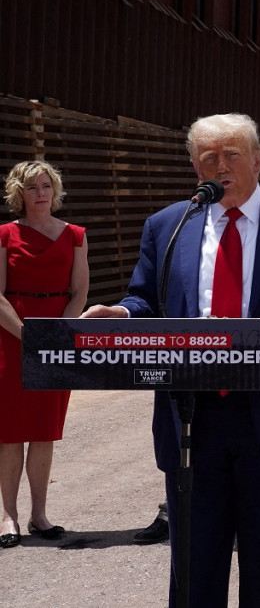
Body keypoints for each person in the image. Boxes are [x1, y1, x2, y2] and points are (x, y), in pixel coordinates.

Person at [82, 113, 260, 607]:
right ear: (194, 167)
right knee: (193, 568)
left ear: (258, 160)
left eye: (231, 155)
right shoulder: (167, 225)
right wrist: (120, 311)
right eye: (209, 158)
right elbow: (146, 299)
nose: (220, 166)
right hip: (191, 418)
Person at [0, 160, 88, 548]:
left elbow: (79, 293)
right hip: (10, 337)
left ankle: (39, 515)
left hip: (55, 337)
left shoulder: (76, 236)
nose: (40, 193)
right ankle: (8, 516)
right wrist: (27, 335)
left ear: (55, 191)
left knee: (43, 431)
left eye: (46, 186)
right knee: (9, 433)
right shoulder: (4, 235)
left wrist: (55, 335)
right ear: (19, 193)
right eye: (32, 187)